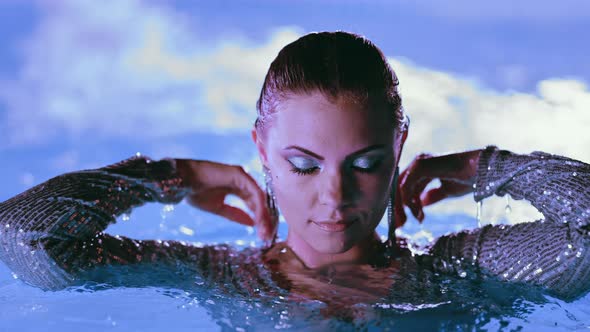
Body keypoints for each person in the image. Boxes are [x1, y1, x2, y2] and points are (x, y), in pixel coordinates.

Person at [0, 31, 588, 307]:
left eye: (365, 163)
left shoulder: (453, 271)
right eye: (303, 165)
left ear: (399, 149)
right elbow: (24, 238)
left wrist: (492, 167)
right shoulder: (215, 273)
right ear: (261, 148)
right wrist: (162, 177)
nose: (334, 196)